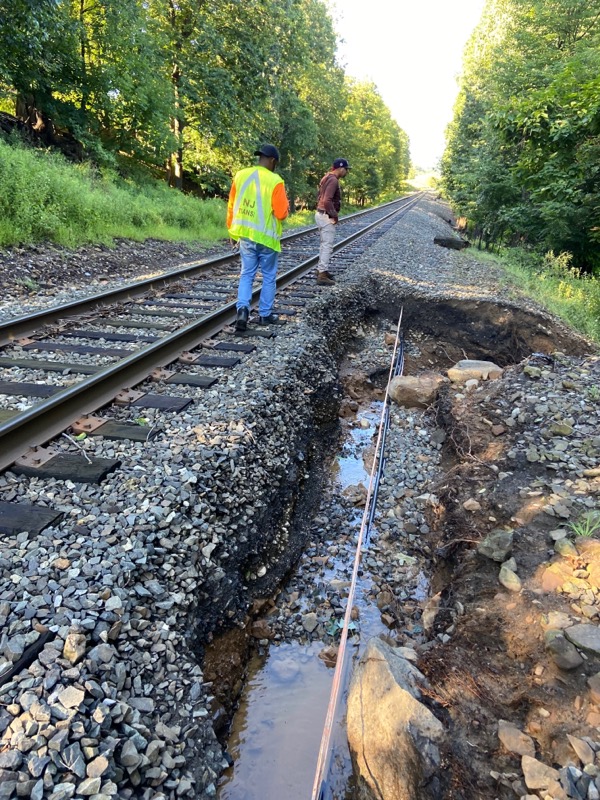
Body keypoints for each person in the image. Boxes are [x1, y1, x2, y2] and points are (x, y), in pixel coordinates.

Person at [227, 143, 289, 331]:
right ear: (272, 161)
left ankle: (243, 310)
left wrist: (231, 230)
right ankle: (265, 315)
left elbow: (231, 205)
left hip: (245, 236)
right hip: (266, 239)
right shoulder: (275, 180)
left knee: (246, 274)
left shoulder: (240, 175)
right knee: (269, 276)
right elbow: (281, 213)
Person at [315, 157, 350, 286]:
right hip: (325, 215)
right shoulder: (333, 180)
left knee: (324, 244)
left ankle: (321, 270)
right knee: (327, 245)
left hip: (320, 213)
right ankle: (322, 275)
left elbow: (320, 196)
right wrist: (334, 215)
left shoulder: (326, 177)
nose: (347, 172)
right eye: (346, 169)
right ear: (340, 168)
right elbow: (327, 200)